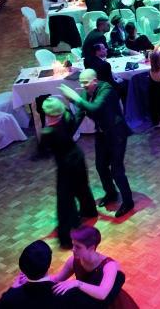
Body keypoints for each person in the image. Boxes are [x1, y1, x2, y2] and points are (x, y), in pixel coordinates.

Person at [59, 70, 134, 218]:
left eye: (85, 82)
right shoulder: (86, 92)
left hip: (116, 134)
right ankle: (111, 193)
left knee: (117, 170)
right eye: (81, 82)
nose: (83, 86)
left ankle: (128, 201)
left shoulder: (107, 90)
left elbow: (95, 108)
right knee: (100, 166)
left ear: (95, 80)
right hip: (101, 134)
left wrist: (75, 98)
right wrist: (67, 137)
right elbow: (80, 114)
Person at [38, 98, 97, 249]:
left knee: (64, 200)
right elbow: (77, 117)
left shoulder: (48, 132)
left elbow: (42, 153)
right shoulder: (67, 117)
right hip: (78, 158)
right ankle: (90, 212)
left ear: (47, 114)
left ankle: (65, 239)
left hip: (66, 166)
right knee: (82, 187)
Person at [0, 240, 102, 309]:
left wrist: (12, 289)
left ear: (22, 268)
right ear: (49, 264)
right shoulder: (67, 294)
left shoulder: (10, 298)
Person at [50, 226, 139, 308]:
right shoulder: (73, 260)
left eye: (78, 247)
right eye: (73, 245)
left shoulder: (109, 265)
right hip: (89, 302)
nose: (73, 249)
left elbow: (102, 294)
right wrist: (42, 277)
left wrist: (77, 283)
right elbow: (58, 278)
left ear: (91, 248)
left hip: (109, 304)